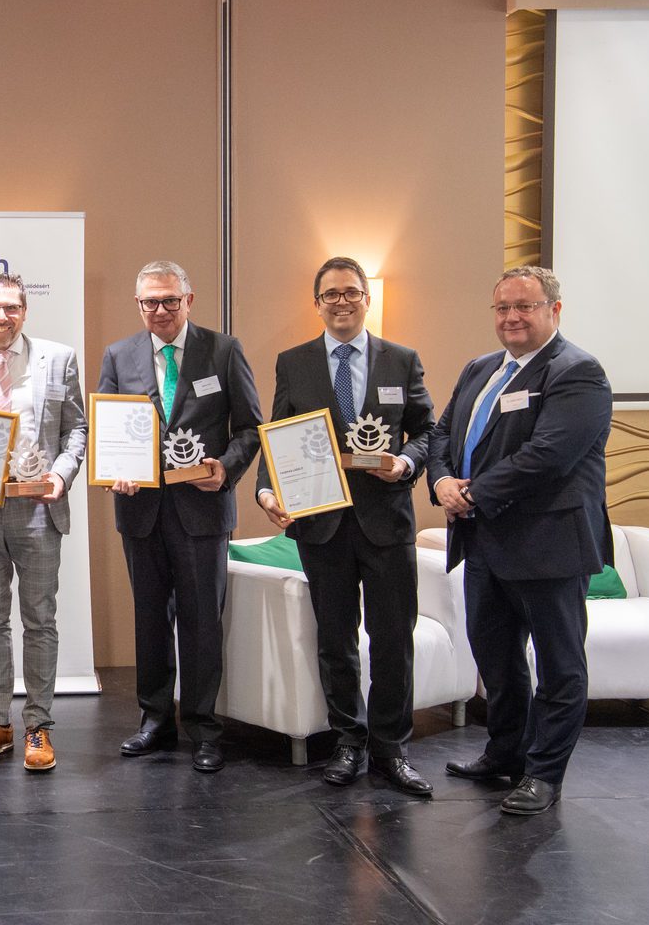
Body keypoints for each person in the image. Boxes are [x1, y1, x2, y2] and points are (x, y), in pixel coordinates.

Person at [428, 265, 611, 815]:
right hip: (484, 542)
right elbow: (442, 432)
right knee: (497, 659)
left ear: (554, 310)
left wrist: (472, 493)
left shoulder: (577, 371)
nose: (511, 317)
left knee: (559, 666)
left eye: (524, 306)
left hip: (548, 544)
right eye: (503, 307)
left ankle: (544, 774)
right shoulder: (481, 368)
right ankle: (505, 753)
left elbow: (549, 455)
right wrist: (441, 481)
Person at [255, 257, 435, 796]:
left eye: (351, 292)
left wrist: (405, 464)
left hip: (387, 524)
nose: (341, 302)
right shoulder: (294, 362)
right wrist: (266, 490)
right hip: (322, 525)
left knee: (393, 639)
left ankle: (391, 748)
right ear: (317, 304)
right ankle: (348, 741)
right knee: (335, 641)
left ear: (366, 299)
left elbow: (428, 433)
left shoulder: (402, 360)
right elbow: (278, 433)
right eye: (330, 294)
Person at [98, 260, 262, 773]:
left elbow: (250, 428)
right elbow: (108, 428)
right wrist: (114, 470)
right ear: (139, 305)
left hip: (203, 509)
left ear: (189, 300)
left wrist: (225, 468)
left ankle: (203, 727)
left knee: (201, 622)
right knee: (149, 619)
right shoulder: (118, 355)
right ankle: (154, 720)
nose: (161, 310)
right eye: (151, 302)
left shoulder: (224, 350)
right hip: (140, 510)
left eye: (171, 300)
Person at [0, 272, 87, 772]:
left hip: (38, 509)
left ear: (25, 311)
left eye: (10, 308)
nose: (1, 317)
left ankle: (38, 725)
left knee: (40, 620)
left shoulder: (59, 359)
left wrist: (61, 476)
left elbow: (76, 430)